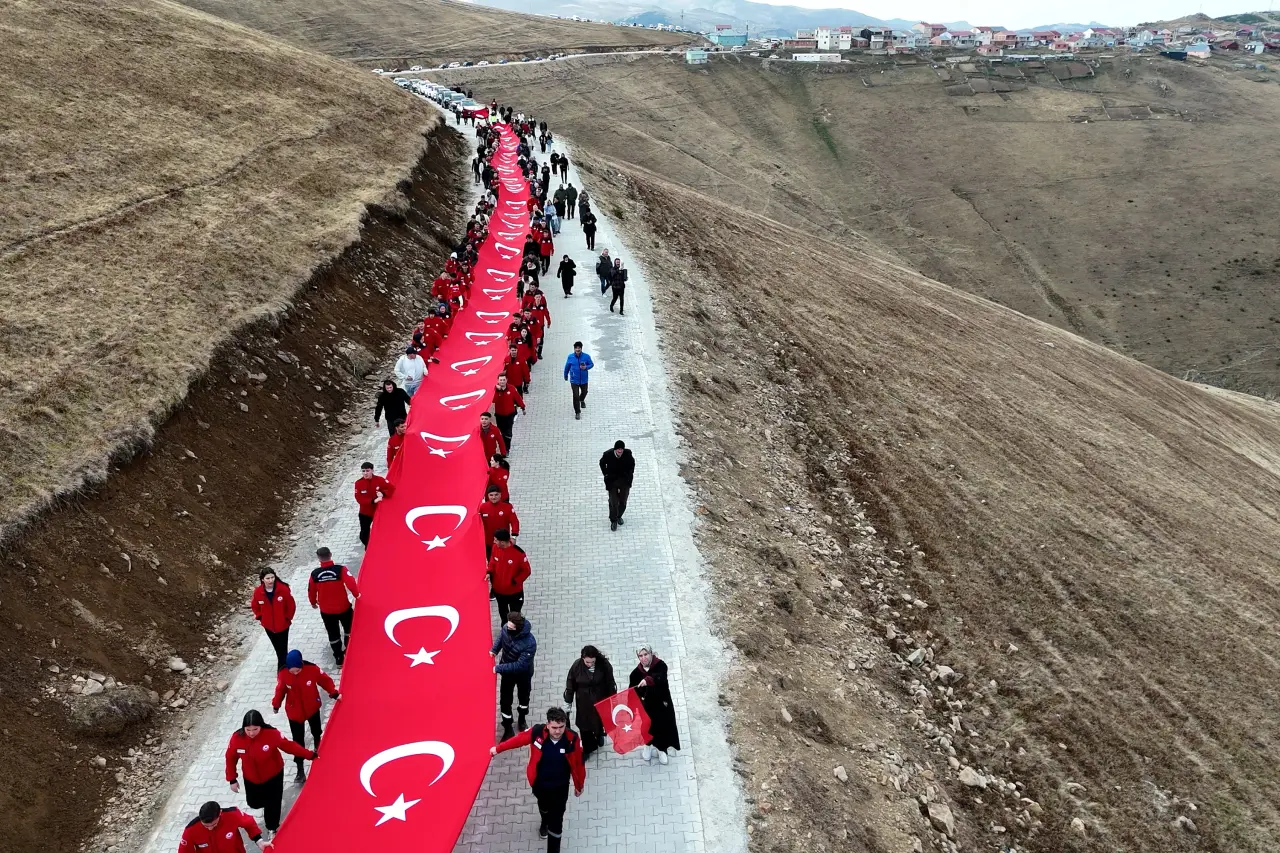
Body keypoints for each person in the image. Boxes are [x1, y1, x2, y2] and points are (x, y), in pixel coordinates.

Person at [490, 707, 585, 853]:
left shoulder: (572, 739)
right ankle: (544, 821)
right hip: (540, 784)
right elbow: (518, 740)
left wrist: (579, 785)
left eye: (561, 727)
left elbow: (579, 762)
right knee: (543, 806)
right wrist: (498, 749)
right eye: (554, 727)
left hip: (560, 788)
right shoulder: (537, 733)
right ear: (547, 724)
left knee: (557, 821)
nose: (558, 731)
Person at [224, 710, 314, 838]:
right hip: (251, 778)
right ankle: (268, 807)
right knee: (254, 803)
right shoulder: (237, 738)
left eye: (255, 729)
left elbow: (289, 746)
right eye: (248, 730)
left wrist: (309, 755)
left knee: (273, 803)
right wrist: (232, 778)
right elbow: (230, 757)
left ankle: (272, 827)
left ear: (261, 725)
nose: (251, 733)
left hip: (273, 776)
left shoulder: (272, 734)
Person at [272, 650, 339, 783]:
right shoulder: (284, 674)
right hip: (294, 713)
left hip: (312, 708)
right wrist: (276, 704)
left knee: (316, 731)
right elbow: (280, 690)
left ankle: (319, 750)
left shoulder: (311, 669)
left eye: (298, 670)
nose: (296, 673)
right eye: (293, 671)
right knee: (298, 741)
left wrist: (333, 692)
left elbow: (324, 680)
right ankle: (300, 768)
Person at [629, 645, 681, 764]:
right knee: (646, 727)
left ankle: (661, 749)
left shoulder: (660, 665)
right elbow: (632, 692)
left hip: (661, 705)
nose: (643, 658)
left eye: (646, 654)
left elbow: (660, 677)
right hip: (646, 707)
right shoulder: (635, 673)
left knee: (661, 728)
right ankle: (647, 746)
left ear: (651, 653)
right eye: (640, 656)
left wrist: (647, 680)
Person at [563, 646, 617, 760]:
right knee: (584, 725)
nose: (589, 664)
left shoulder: (604, 665)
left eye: (592, 662)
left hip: (600, 699)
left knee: (599, 721)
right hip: (583, 702)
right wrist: (568, 702)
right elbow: (570, 684)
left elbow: (610, 683)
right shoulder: (577, 666)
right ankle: (588, 747)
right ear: (583, 658)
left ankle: (599, 735)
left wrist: (613, 699)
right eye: (587, 662)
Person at [309, 547, 359, 666]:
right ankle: (349, 651)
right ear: (331, 555)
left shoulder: (315, 574)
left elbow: (311, 590)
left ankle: (338, 658)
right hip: (343, 607)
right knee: (349, 629)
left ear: (318, 558)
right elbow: (351, 582)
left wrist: (313, 602)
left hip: (326, 611)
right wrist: (357, 595)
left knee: (333, 634)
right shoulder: (340, 570)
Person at [491, 611, 536, 739]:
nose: (507, 628)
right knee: (505, 700)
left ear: (518, 628)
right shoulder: (507, 628)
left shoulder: (530, 643)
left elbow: (519, 665)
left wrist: (499, 668)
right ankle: (508, 727)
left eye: (511, 627)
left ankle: (522, 719)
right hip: (507, 673)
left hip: (523, 675)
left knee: (523, 698)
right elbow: (501, 637)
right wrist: (494, 650)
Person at [179, 801, 268, 853]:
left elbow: (249, 822)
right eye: (206, 826)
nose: (210, 828)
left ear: (220, 813)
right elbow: (184, 851)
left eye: (213, 825)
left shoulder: (232, 815)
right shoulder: (190, 830)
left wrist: (259, 841)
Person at [250, 569, 296, 670]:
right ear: (262, 580)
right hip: (269, 627)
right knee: (278, 649)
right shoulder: (258, 592)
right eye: (268, 578)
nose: (271, 580)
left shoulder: (283, 589)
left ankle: (282, 670)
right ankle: (286, 667)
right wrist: (260, 617)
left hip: (283, 625)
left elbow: (291, 605)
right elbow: (255, 606)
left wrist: (287, 618)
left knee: (282, 650)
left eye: (272, 577)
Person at [487, 528, 531, 623]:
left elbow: (526, 571)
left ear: (502, 542)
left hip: (514, 592)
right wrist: (489, 572)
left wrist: (515, 581)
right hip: (499, 592)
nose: (494, 542)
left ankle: (516, 634)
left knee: (515, 616)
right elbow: (492, 562)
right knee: (503, 614)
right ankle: (505, 632)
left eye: (496, 540)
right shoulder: (495, 548)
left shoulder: (518, 553)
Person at [353, 462, 394, 547]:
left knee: (383, 530)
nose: (365, 473)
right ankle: (368, 548)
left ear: (372, 470)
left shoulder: (379, 480)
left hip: (379, 511)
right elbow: (359, 499)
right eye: (363, 471)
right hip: (365, 513)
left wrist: (383, 493)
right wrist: (373, 501)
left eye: (367, 471)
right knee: (364, 534)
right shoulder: (358, 483)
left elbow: (391, 488)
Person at [599, 440, 635, 531]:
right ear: (615, 449)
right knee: (613, 502)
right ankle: (613, 520)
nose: (620, 451)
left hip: (624, 482)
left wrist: (629, 474)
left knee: (623, 502)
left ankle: (619, 516)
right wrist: (606, 474)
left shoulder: (628, 454)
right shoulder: (608, 454)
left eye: (621, 449)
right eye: (618, 449)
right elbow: (601, 462)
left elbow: (632, 464)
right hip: (612, 482)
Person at [479, 483, 520, 558]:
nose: (493, 497)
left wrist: (514, 536)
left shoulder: (507, 507)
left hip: (504, 542)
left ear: (500, 495)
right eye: (491, 495)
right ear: (487, 496)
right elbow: (477, 524)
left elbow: (514, 522)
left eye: (496, 495)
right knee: (491, 562)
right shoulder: (482, 508)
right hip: (488, 542)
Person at [492, 374, 526, 453]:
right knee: (501, 432)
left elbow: (518, 398)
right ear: (498, 381)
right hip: (499, 415)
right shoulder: (495, 390)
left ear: (506, 380)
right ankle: (503, 448)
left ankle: (507, 449)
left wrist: (523, 407)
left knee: (508, 432)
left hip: (510, 415)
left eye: (504, 380)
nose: (502, 382)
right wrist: (497, 391)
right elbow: (494, 400)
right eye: (500, 380)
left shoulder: (511, 388)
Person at [563, 342, 594, 420]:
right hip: (574, 380)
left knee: (585, 392)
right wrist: (566, 375)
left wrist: (586, 367)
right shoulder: (570, 357)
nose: (577, 349)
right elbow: (567, 366)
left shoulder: (586, 356)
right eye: (576, 348)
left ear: (581, 348)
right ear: (574, 349)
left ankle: (582, 399)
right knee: (575, 396)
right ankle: (577, 412)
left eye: (579, 348)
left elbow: (591, 364)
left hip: (584, 379)